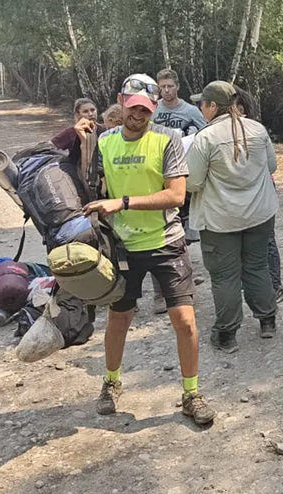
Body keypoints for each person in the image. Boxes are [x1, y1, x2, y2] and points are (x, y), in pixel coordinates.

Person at [83, 73, 214, 425]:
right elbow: (91, 189)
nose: (138, 115)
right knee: (119, 319)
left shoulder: (168, 139)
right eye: (133, 107)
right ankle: (111, 383)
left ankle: (191, 393)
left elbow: (175, 195)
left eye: (145, 109)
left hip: (166, 241)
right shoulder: (105, 141)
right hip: (123, 246)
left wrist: (122, 203)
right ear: (121, 101)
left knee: (184, 321)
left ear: (154, 108)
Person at [185, 81, 279, 353]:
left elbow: (192, 182)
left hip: (220, 219)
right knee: (257, 265)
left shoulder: (205, 138)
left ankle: (227, 334)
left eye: (202, 103)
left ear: (213, 106)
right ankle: (267, 321)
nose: (200, 108)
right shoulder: (257, 129)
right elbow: (271, 165)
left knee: (225, 276)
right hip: (260, 214)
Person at [150, 69, 204, 313]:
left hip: (184, 177)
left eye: (170, 86)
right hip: (156, 177)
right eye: (163, 87)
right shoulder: (153, 110)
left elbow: (206, 135)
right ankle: (160, 293)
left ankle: (183, 281)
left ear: (178, 86)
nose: (167, 90)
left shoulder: (191, 111)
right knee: (158, 230)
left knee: (182, 232)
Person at [235, 87, 283, 304]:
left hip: (257, 190)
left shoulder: (253, 131)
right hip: (256, 191)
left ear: (240, 109)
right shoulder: (256, 129)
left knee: (264, 239)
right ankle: (265, 285)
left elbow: (270, 166)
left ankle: (272, 285)